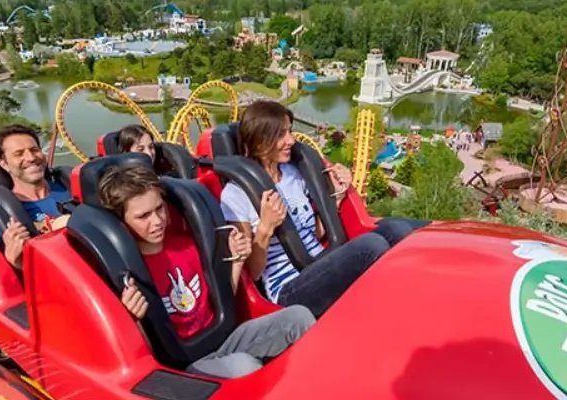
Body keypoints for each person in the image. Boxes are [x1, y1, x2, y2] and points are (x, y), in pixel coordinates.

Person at [99, 164, 313, 379]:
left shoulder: (187, 245)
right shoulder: (128, 274)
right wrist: (131, 319)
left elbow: (221, 299)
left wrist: (237, 261)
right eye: (143, 216)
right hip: (186, 365)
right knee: (245, 367)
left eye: (159, 209)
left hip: (222, 339)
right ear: (122, 222)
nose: (157, 221)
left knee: (298, 316)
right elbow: (141, 357)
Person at [220, 101, 426, 317]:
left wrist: (335, 198)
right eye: (281, 135)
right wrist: (265, 228)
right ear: (261, 142)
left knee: (396, 230)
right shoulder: (236, 194)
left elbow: (314, 233)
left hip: (319, 262)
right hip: (288, 288)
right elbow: (251, 273)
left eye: (290, 131)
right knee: (370, 247)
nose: (291, 140)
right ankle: (396, 310)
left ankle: (414, 295)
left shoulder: (293, 173)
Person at [0, 125, 72, 268]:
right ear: (4, 164)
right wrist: (13, 261)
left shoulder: (69, 188)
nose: (30, 158)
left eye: (34, 150)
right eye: (19, 154)